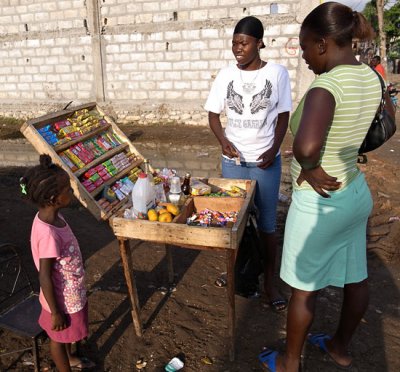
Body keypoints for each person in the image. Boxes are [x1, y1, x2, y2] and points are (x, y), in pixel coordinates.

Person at [258, 2, 395, 371]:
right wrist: (341, 150)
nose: (303, 57)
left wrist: (311, 165)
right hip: (354, 192)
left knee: (303, 288)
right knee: (356, 277)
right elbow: (386, 125)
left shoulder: (326, 86)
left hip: (320, 200)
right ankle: (339, 347)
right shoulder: (371, 76)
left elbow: (305, 147)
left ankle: (290, 362)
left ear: (321, 43)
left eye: (304, 48)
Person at [205, 16, 292, 311]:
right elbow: (213, 115)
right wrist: (223, 142)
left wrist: (274, 148)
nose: (237, 49)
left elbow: (283, 116)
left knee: (267, 224)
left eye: (243, 43)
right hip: (234, 162)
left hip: (266, 162)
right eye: (234, 43)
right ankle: (236, 272)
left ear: (259, 43)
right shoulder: (226, 75)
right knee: (234, 223)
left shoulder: (277, 74)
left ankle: (269, 282)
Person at [20, 154, 95, 372]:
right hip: (62, 301)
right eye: (68, 190)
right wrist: (55, 312)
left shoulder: (51, 217)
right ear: (54, 198)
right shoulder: (49, 234)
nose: (72, 192)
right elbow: (44, 275)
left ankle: (71, 357)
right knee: (59, 339)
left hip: (70, 290)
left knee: (68, 334)